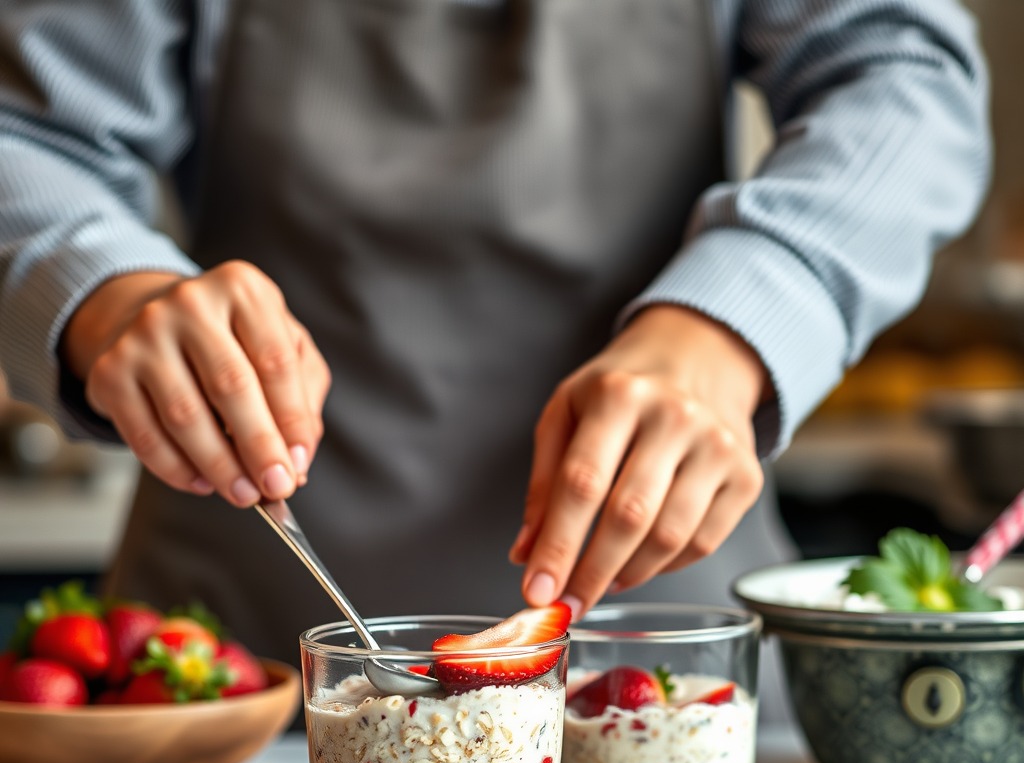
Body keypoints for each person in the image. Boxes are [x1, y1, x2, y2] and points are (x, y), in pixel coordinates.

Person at [0, 1, 990, 714]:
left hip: (666, 705)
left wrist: (735, 318)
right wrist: (103, 289)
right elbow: (25, 134)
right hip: (221, 696)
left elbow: (904, 75)